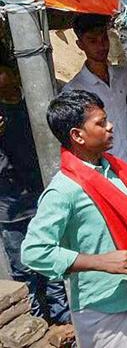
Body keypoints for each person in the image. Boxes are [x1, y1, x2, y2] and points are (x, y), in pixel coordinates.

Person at [21, 90, 127, 347]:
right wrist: (99, 261)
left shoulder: (117, 169)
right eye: (100, 122)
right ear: (77, 135)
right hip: (103, 308)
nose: (110, 126)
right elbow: (34, 251)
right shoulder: (64, 190)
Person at [0, 65, 70, 325]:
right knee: (24, 270)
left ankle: (62, 318)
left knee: (53, 263)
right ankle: (37, 322)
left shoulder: (38, 100)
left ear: (14, 73)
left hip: (44, 197)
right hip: (11, 208)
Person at [63, 14, 127, 165]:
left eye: (104, 39)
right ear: (80, 44)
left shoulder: (125, 75)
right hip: (107, 170)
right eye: (92, 41)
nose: (101, 46)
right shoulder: (74, 90)